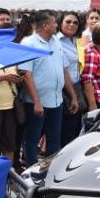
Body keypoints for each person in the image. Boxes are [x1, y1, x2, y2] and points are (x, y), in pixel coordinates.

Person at [19, 11, 78, 167]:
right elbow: (26, 74)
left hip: (56, 100)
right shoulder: (28, 43)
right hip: (36, 101)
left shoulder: (56, 42)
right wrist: (37, 101)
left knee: (54, 138)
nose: (57, 25)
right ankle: (31, 171)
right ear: (45, 26)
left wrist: (73, 96)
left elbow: (64, 70)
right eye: (54, 23)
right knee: (32, 138)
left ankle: (51, 170)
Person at [57, 11, 84, 147]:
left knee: (75, 130)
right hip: (63, 89)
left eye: (75, 22)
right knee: (65, 131)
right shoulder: (56, 41)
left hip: (77, 86)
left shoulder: (76, 41)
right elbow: (63, 69)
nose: (72, 25)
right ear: (60, 23)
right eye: (68, 21)